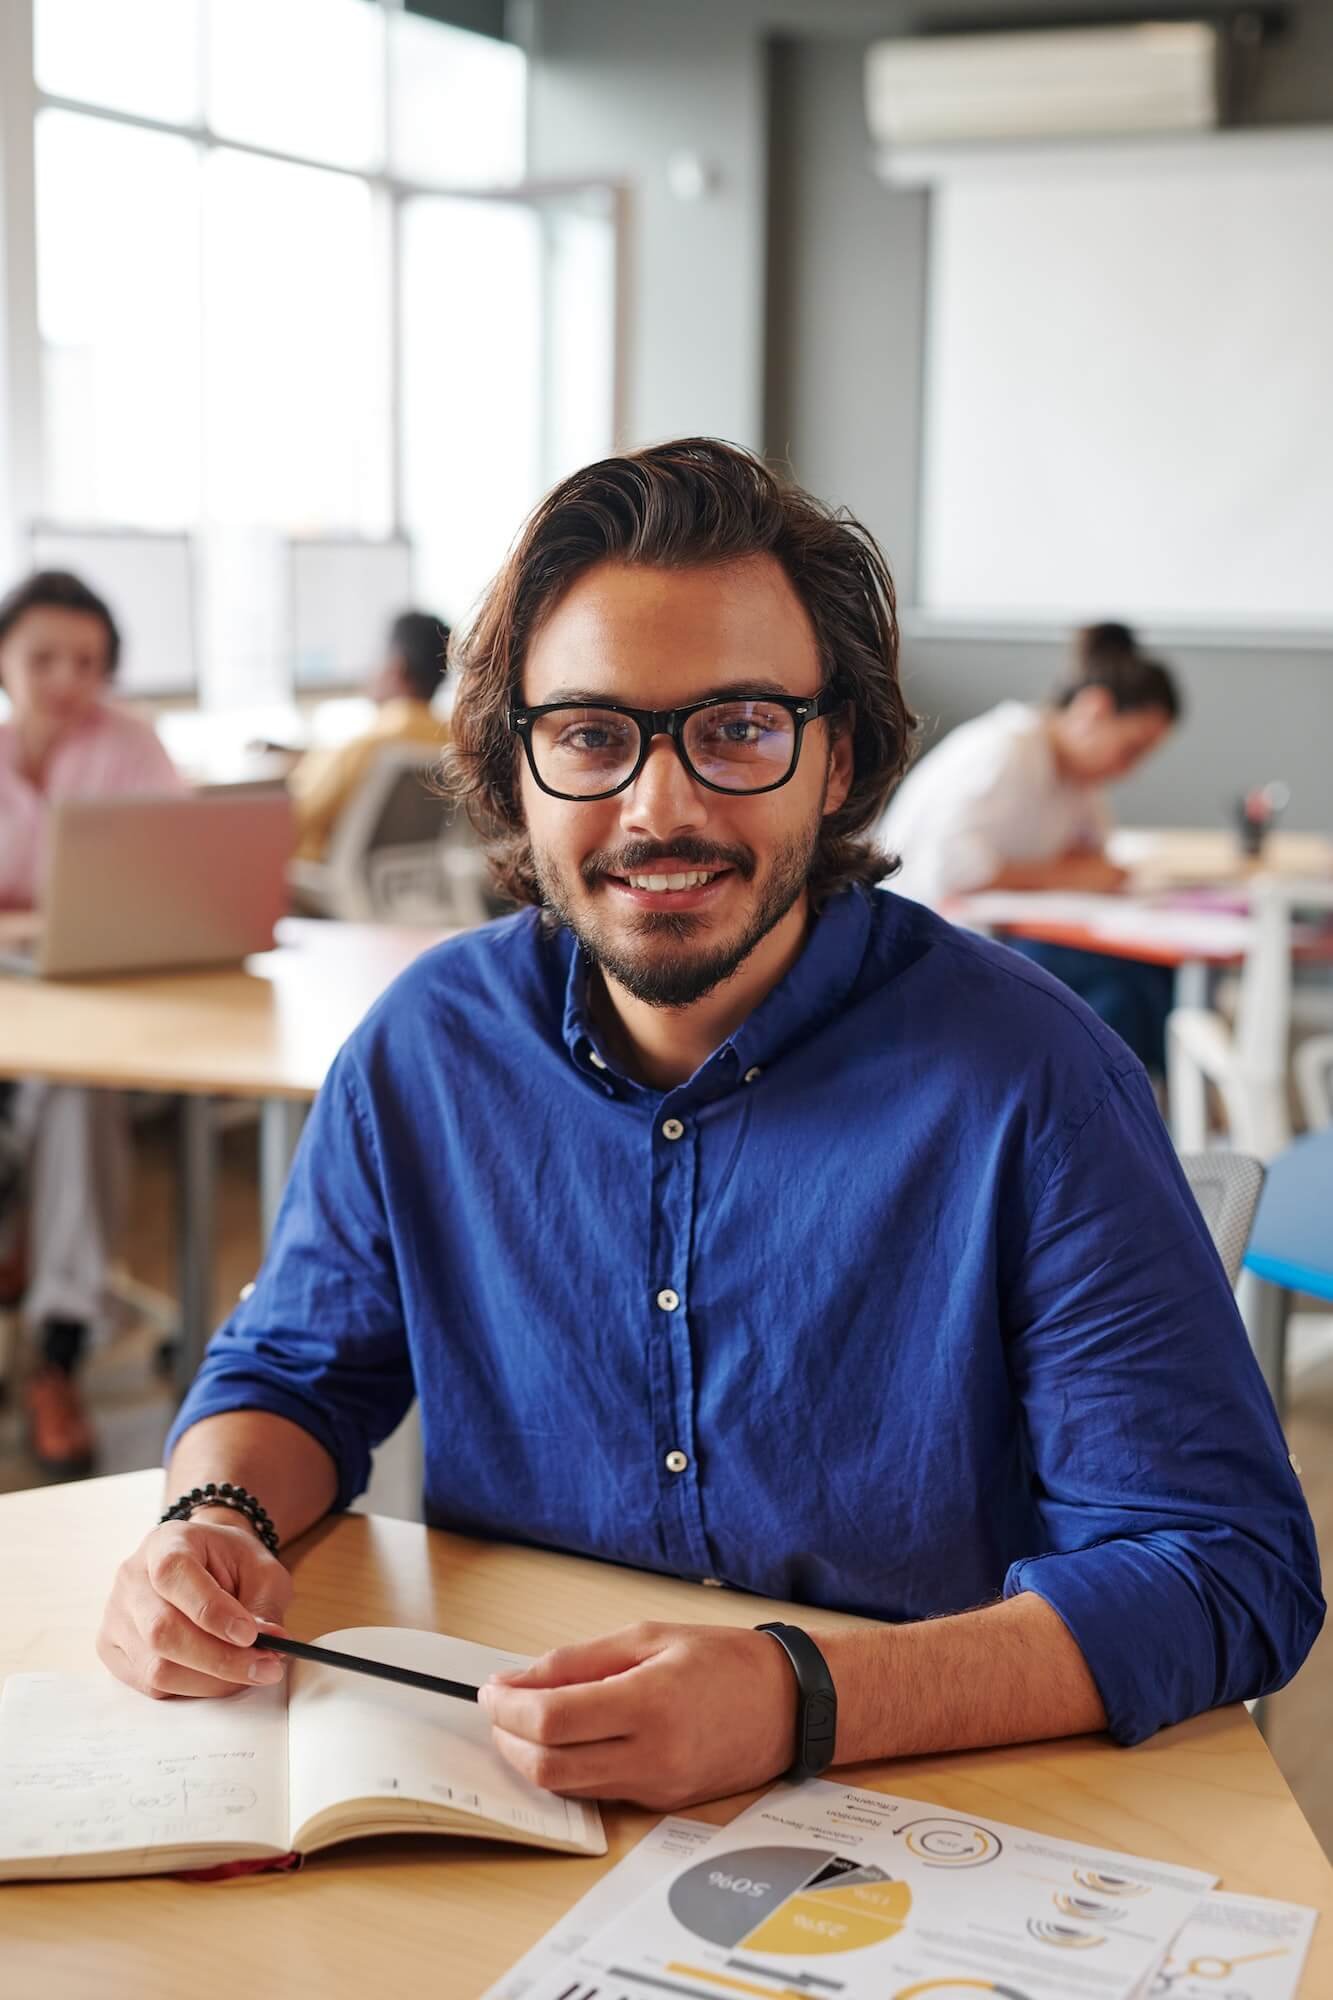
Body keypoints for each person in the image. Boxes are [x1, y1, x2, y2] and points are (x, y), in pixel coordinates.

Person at [98, 442, 1319, 1811]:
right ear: (521, 764)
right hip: (513, 1790)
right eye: (591, 735)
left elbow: (1222, 1569)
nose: (658, 806)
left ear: (834, 754)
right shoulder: (425, 1051)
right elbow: (293, 1374)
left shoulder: (1032, 1082)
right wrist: (214, 1519)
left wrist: (800, 1696)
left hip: (935, 1804)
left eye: (738, 728)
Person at [0, 569, 184, 1475]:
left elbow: (174, 875)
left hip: (88, 1007)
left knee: (70, 1091)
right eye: (43, 658)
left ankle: (57, 1352)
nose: (67, 679)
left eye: (88, 661)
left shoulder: (131, 745)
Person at [876, 626, 1182, 1069]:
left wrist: (1082, 869)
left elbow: (1097, 856)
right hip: (923, 940)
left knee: (1142, 985)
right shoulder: (1006, 750)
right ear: (1093, 710)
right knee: (1123, 989)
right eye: (1130, 749)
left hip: (991, 933)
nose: (1128, 769)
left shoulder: (1076, 778)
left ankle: (1143, 1115)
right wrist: (1069, 875)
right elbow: (952, 869)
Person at [287, 609, 450, 863]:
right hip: (402, 882)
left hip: (322, 881)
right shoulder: (453, 740)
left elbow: (298, 816)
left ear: (396, 667)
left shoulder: (370, 745)